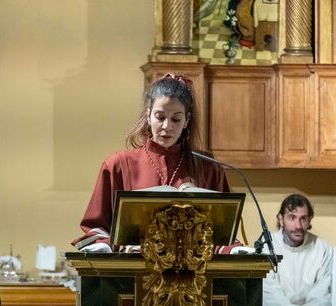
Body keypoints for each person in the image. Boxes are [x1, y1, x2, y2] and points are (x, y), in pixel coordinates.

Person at [72, 73, 230, 252]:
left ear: (186, 120)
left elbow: (222, 234)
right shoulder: (117, 165)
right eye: (160, 117)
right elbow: (96, 228)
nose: (167, 126)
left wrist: (232, 249)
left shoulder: (209, 167)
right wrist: (111, 245)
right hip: (131, 274)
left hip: (195, 275)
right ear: (148, 116)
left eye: (176, 119)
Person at [263, 194, 333, 306]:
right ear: (281, 219)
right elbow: (268, 293)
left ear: (309, 220)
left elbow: (323, 295)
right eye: (292, 217)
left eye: (303, 218)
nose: (298, 226)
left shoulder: (324, 250)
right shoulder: (267, 247)